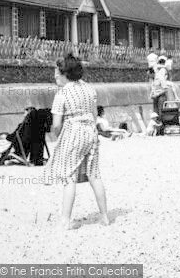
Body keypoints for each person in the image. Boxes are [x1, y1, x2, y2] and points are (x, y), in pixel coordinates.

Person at [43, 54, 109, 230]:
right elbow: (94, 115)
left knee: (69, 177)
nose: (55, 75)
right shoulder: (89, 88)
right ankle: (104, 216)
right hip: (90, 132)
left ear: (65, 73)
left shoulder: (62, 93)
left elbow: (56, 125)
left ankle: (65, 220)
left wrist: (60, 138)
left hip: (73, 132)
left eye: (56, 72)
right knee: (95, 174)